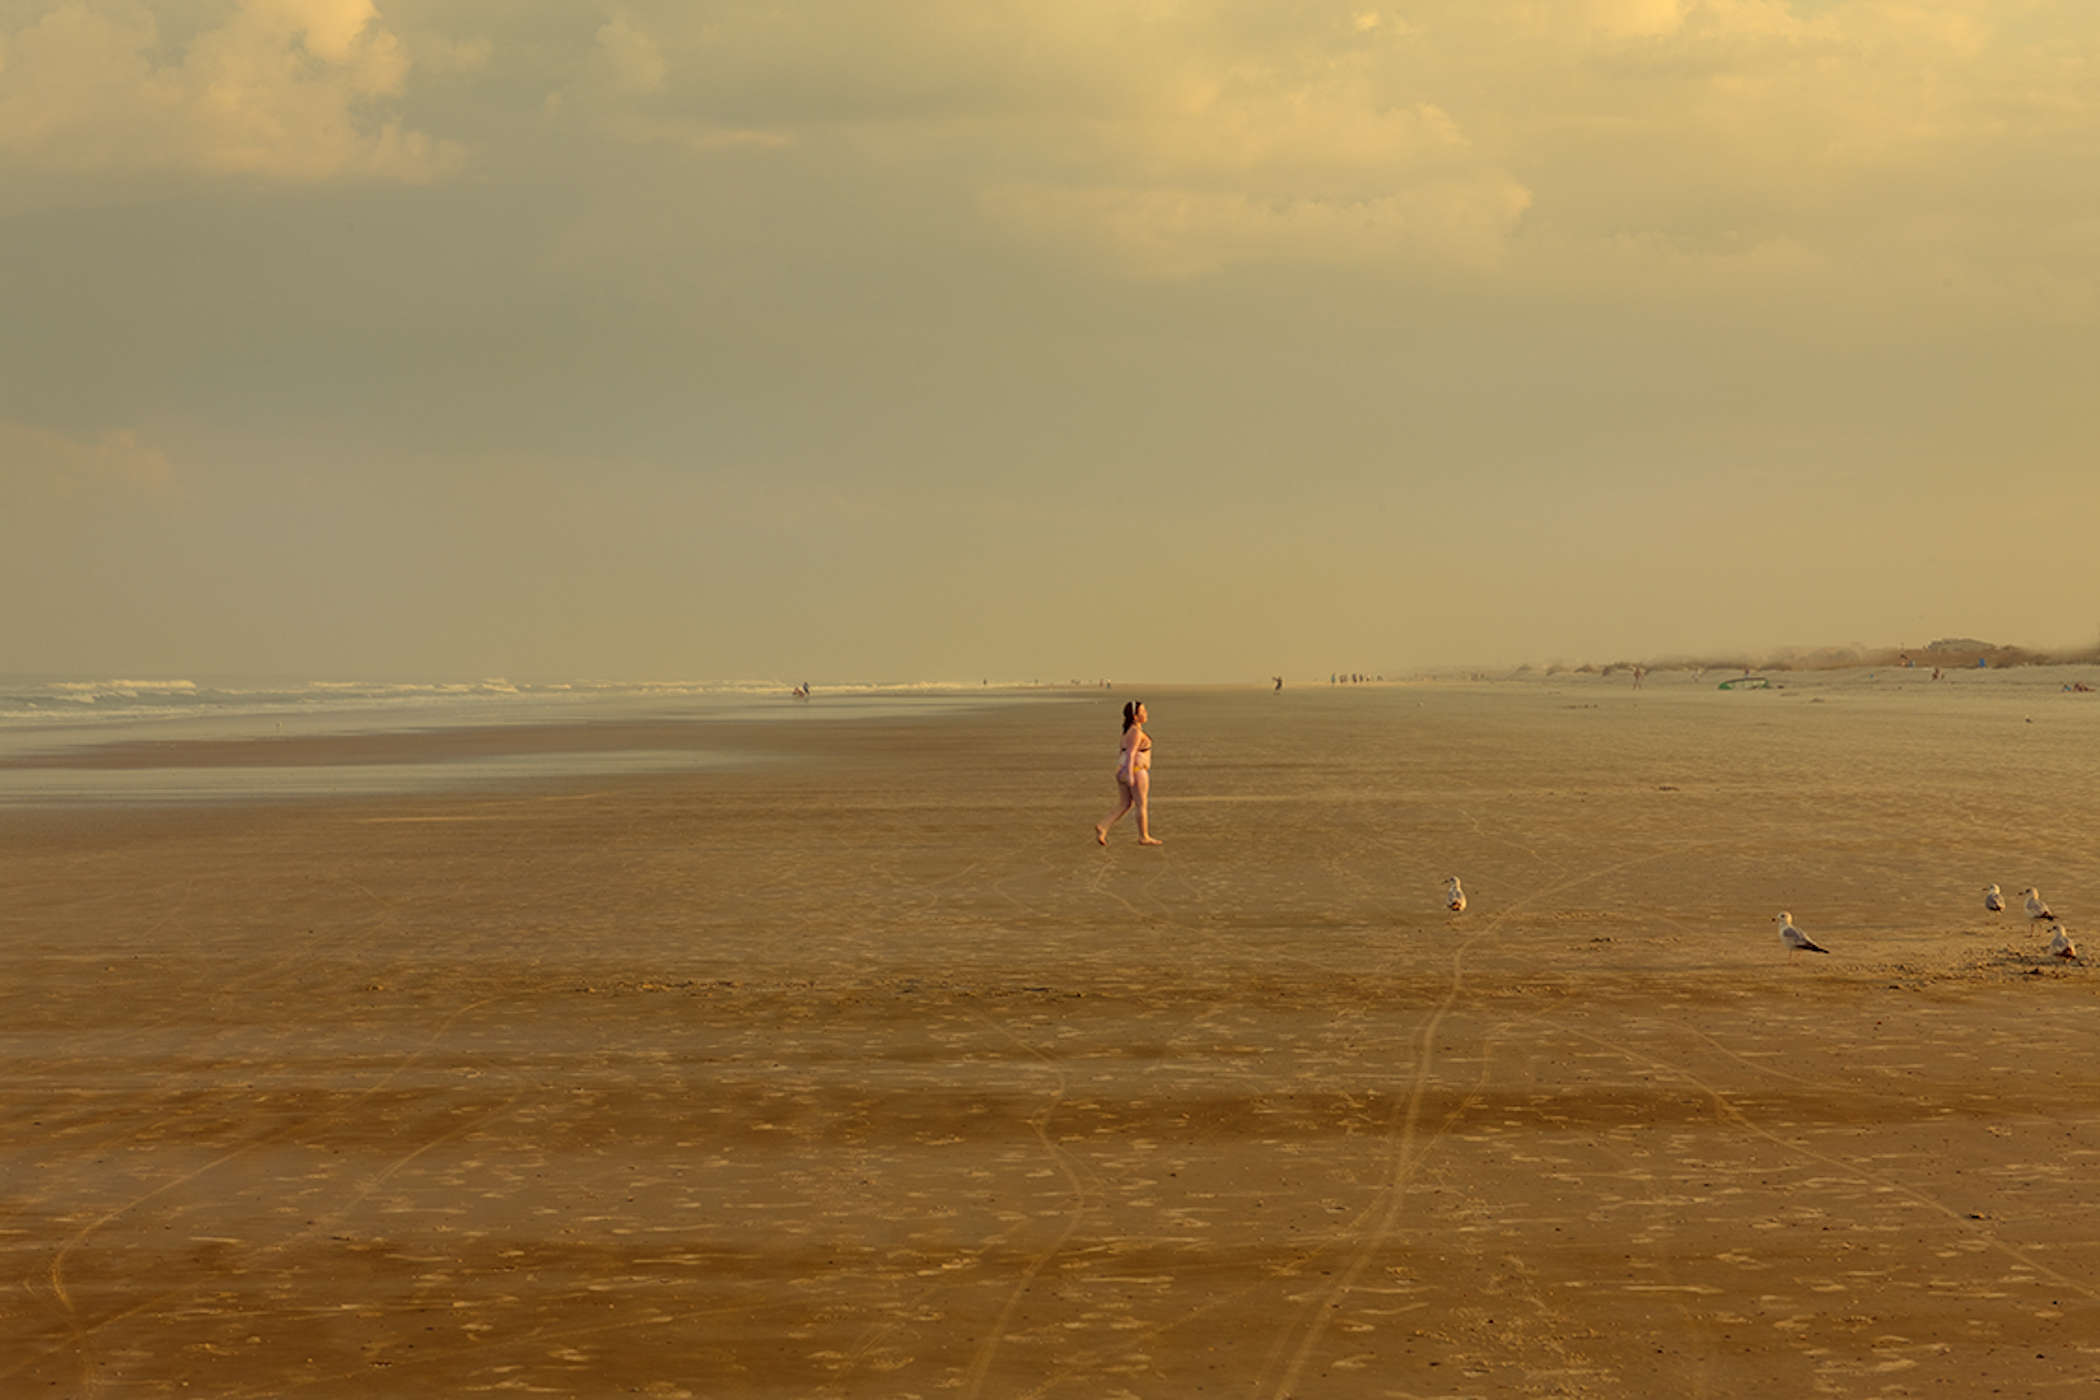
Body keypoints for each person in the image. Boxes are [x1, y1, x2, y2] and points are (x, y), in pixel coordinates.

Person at [1095, 700, 1163, 846]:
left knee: (1125, 803)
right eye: (1142, 712)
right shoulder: (1135, 732)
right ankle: (1144, 836)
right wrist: (1130, 775)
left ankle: (1103, 826)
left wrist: (1121, 770)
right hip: (1136, 771)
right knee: (1141, 804)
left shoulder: (1127, 731)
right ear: (1135, 716)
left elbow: (1123, 752)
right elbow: (1131, 754)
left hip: (1124, 770)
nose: (1146, 714)